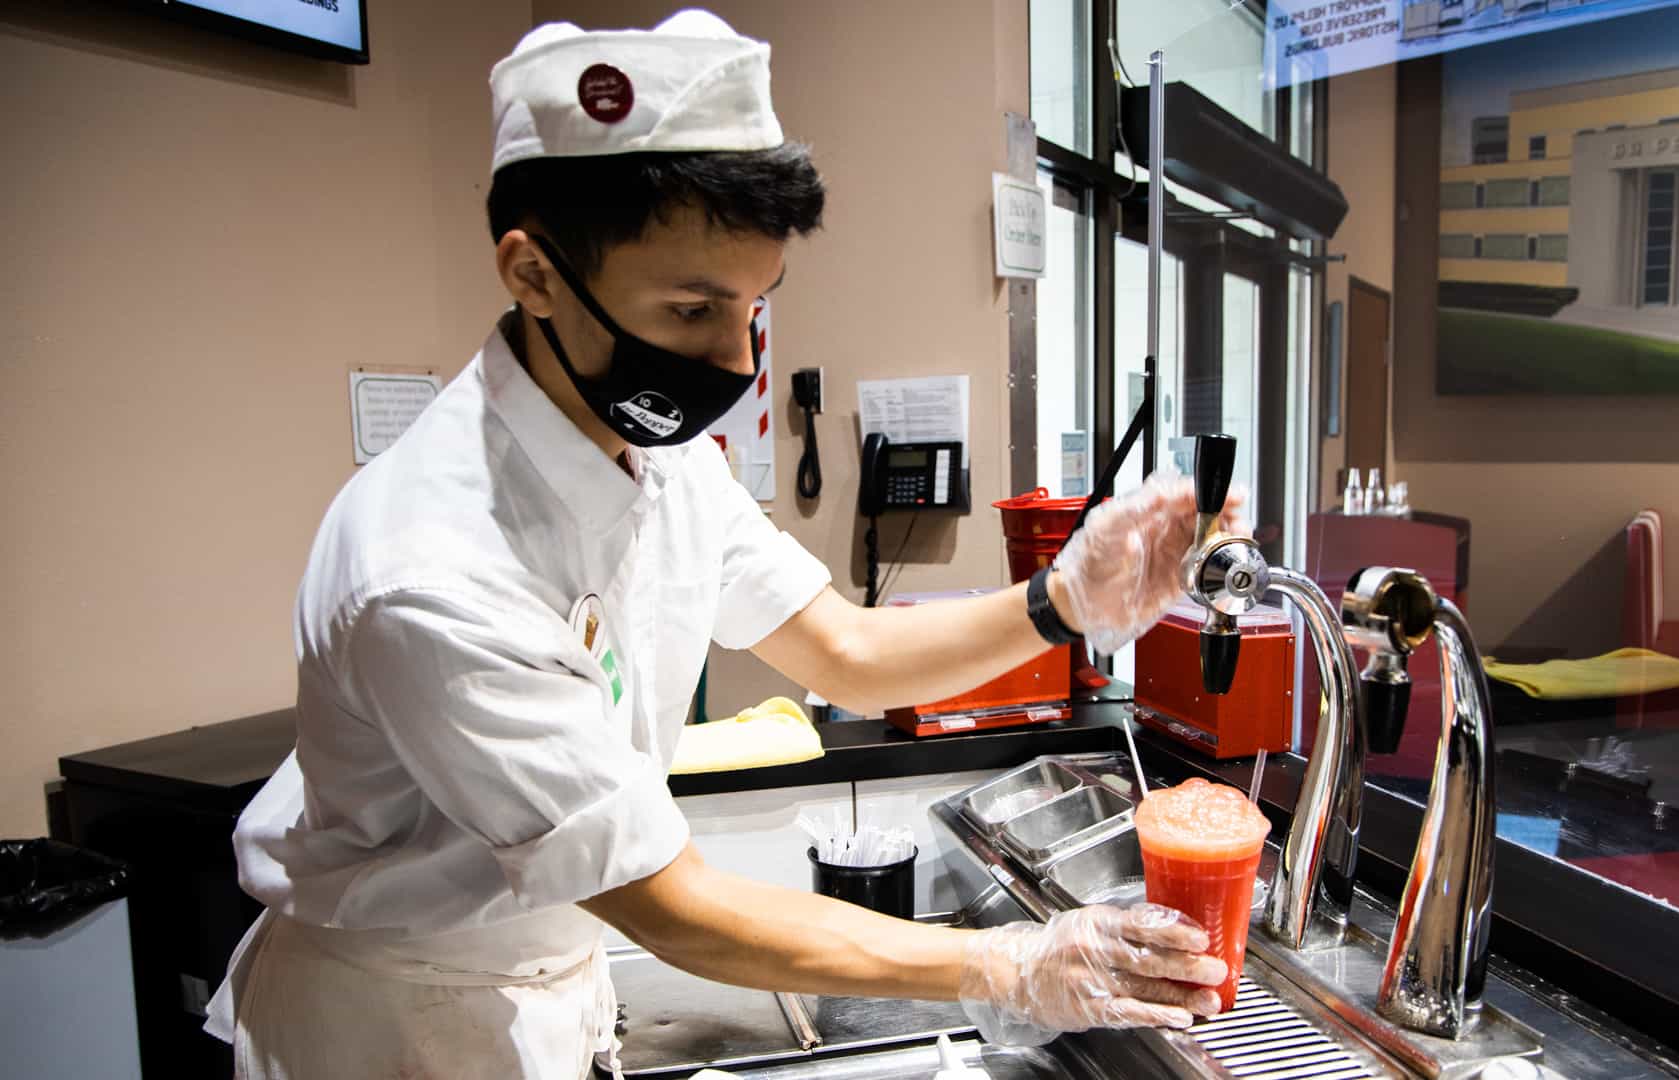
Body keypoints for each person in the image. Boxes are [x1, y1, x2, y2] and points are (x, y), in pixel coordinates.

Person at [204, 13, 1238, 1078]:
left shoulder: (658, 458)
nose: (736, 358)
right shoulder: (433, 568)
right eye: (692, 308)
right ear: (535, 274)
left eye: (754, 306)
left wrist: (1060, 601)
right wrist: (1005, 965)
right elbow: (678, 907)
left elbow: (845, 651)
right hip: (397, 1029)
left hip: (549, 990)